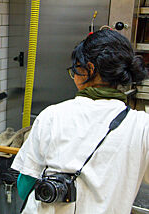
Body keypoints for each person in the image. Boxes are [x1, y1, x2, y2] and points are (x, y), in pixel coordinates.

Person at [11, 29, 149, 214]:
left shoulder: (53, 116)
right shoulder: (142, 126)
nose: (74, 76)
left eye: (75, 69)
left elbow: (24, 186)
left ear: (89, 70)